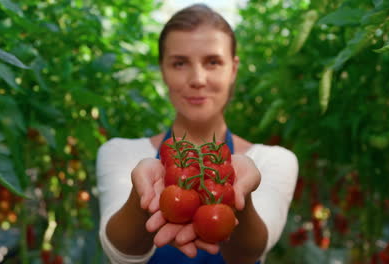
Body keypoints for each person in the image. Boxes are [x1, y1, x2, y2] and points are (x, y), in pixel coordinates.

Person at [96, 4, 298, 264]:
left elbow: (249, 254)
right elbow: (121, 253)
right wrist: (141, 197)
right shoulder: (122, 154)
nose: (198, 78)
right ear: (163, 70)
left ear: (233, 69)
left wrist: (240, 196)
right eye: (179, 63)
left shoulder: (272, 161)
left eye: (213, 62)